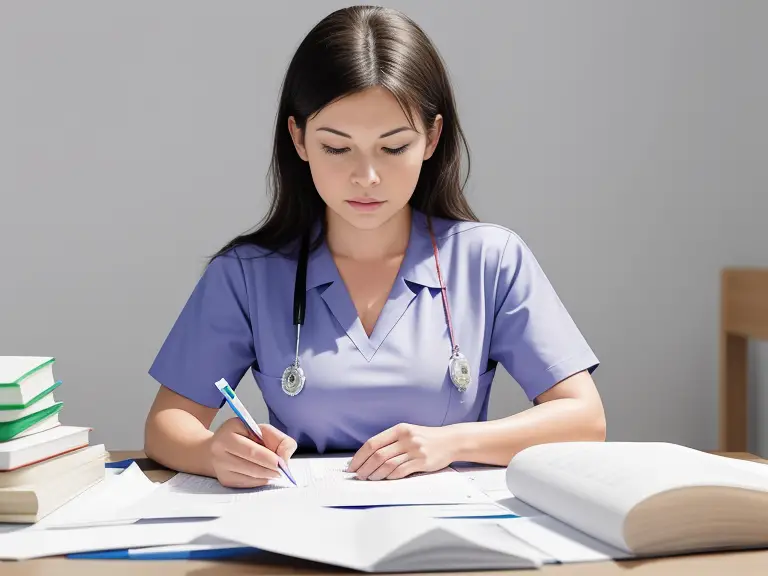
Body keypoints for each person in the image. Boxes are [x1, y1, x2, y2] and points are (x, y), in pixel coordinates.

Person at [143, 5, 606, 488]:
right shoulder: (246, 274)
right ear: (298, 139)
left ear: (432, 137)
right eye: (337, 148)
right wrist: (213, 451)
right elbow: (165, 426)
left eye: (393, 147)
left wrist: (452, 443)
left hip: (445, 535)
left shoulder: (491, 260)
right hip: (302, 530)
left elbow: (583, 418)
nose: (366, 177)